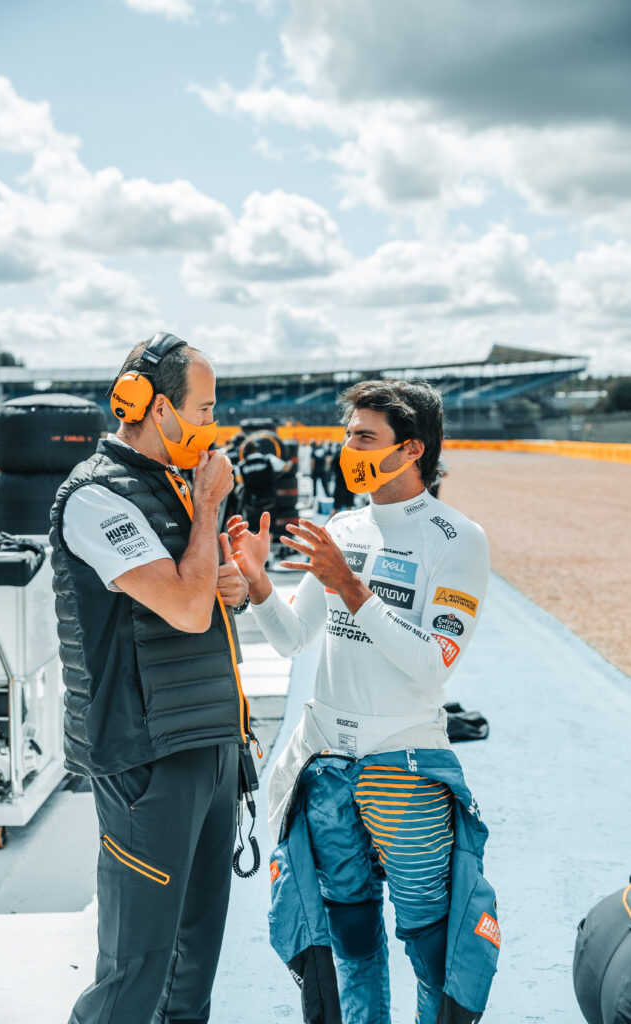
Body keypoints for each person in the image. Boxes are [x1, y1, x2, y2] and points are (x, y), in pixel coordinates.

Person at [227, 379, 497, 1024]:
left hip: (404, 769)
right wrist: (262, 584)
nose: (348, 448)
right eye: (348, 435)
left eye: (363, 437)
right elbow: (292, 641)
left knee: (432, 948)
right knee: (348, 941)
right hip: (324, 767)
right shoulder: (343, 527)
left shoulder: (457, 539)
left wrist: (350, 586)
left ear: (411, 449)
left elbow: (433, 664)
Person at [49, 332, 253, 1024]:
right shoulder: (94, 496)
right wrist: (207, 512)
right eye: (202, 410)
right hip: (145, 757)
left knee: (191, 973)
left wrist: (233, 583)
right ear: (154, 407)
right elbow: (186, 609)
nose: (210, 428)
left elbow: (198, 596)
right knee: (133, 977)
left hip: (209, 748)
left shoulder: (164, 486)